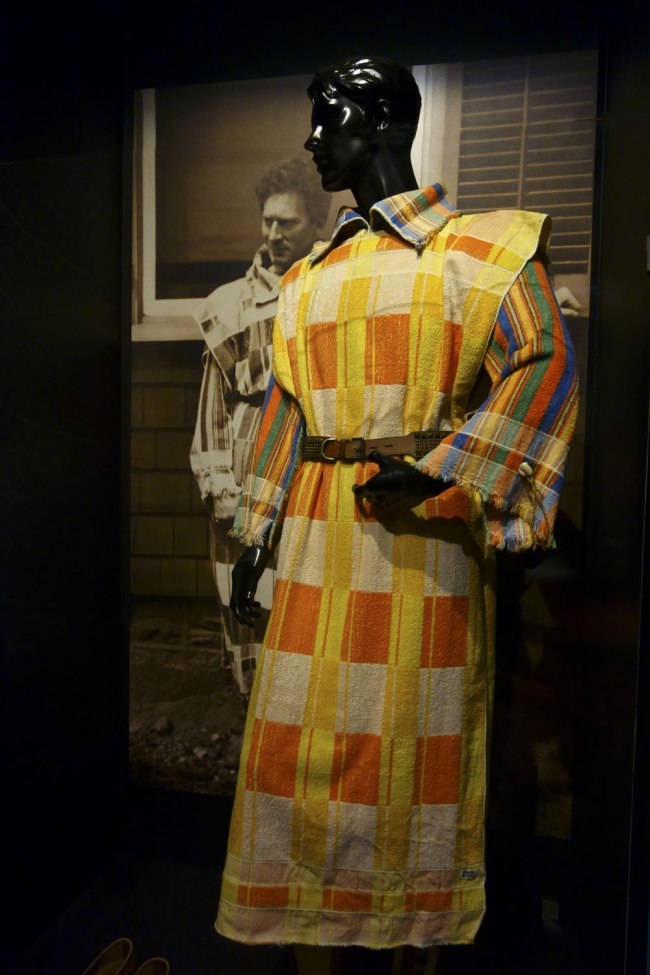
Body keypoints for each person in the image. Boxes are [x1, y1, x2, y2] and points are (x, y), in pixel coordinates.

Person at [217, 56, 579, 969]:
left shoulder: (481, 252)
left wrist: (441, 468)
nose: (310, 140)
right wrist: (256, 534)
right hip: (313, 538)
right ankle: (313, 941)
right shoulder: (304, 279)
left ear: (380, 122)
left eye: (327, 117)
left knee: (413, 750)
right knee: (294, 753)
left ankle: (413, 944)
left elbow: (544, 365)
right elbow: (285, 411)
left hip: (424, 550)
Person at [190, 156, 330, 699]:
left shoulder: (331, 292)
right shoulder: (229, 306)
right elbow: (212, 409)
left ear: (316, 222)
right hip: (246, 474)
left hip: (312, 466)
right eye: (267, 220)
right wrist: (222, 489)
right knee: (248, 597)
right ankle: (253, 714)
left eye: (287, 222)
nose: (273, 234)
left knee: (305, 597)